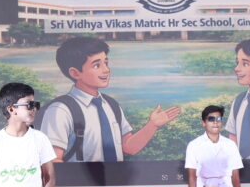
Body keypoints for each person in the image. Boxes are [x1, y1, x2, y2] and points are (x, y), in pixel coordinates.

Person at [39, 35, 180, 162]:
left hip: (116, 180)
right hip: (82, 182)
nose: (106, 70)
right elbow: (52, 160)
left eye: (106, 63)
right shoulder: (60, 110)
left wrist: (152, 125)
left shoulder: (111, 105)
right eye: (96, 65)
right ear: (75, 73)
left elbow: (128, 147)